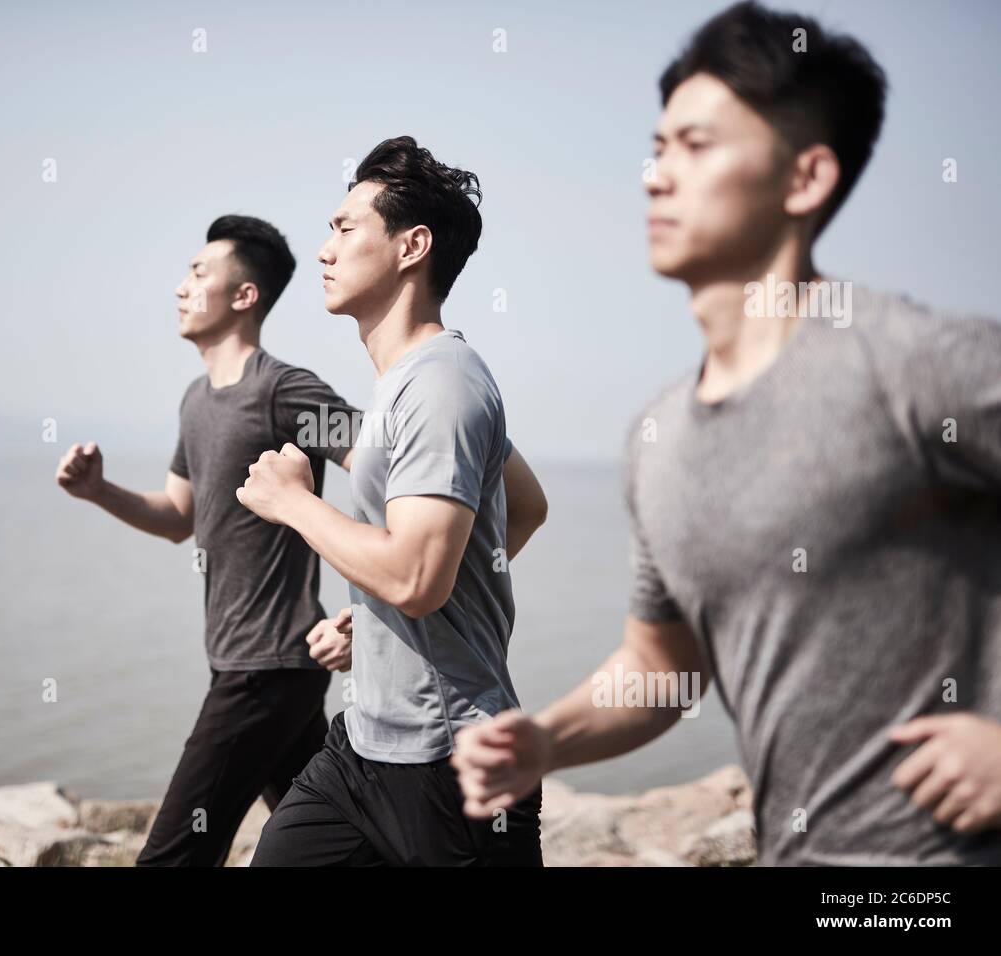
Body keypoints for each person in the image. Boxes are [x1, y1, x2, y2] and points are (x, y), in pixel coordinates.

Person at [451, 1, 1001, 866]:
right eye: (659, 146)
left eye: (697, 147)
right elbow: (664, 666)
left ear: (805, 179)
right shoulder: (658, 437)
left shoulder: (913, 365)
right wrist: (547, 741)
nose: (654, 176)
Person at [238, 136, 550, 866]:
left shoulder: (445, 385)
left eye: (345, 229)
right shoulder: (407, 385)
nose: (324, 250)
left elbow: (416, 577)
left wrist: (294, 503)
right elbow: (524, 508)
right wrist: (375, 610)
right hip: (361, 749)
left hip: (448, 758)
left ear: (412, 246)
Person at [55, 214, 357, 866]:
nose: (181, 287)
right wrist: (98, 491)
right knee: (337, 850)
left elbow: (395, 469)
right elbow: (177, 517)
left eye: (198, 273)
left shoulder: (284, 389)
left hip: (264, 670)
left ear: (244, 296)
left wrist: (372, 608)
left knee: (172, 857)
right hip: (259, 665)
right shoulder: (197, 399)